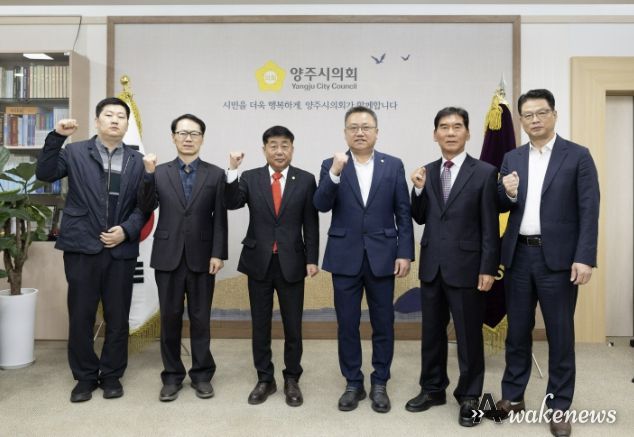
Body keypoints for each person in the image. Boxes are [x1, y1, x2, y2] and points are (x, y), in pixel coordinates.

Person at [497, 89, 599, 437]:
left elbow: (589, 209)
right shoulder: (512, 157)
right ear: (521, 120)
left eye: (541, 112)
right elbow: (500, 203)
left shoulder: (578, 156)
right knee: (517, 331)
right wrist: (508, 192)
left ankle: (558, 406)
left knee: (560, 334)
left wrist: (584, 257)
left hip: (559, 260)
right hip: (518, 256)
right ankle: (513, 396)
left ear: (554, 114)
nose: (535, 120)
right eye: (528, 115)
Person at [36, 97, 147, 402]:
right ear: (97, 121)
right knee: (81, 316)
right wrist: (57, 137)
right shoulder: (74, 152)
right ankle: (84, 377)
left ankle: (111, 375)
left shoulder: (138, 161)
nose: (115, 120)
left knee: (117, 317)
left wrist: (126, 231)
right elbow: (45, 173)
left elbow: (145, 206)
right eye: (109, 115)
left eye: (121, 116)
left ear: (127, 124)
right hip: (82, 246)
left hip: (120, 249)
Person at [313, 106, 414, 413]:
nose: (360, 132)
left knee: (384, 323)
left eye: (366, 127)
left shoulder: (392, 165)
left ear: (376, 132)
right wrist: (334, 172)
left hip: (383, 256)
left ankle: (380, 381)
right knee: (347, 323)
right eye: (353, 127)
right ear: (345, 133)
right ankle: (353, 382)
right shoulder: (331, 164)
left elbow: (403, 212)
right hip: (345, 256)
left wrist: (405, 252)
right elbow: (320, 204)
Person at [405, 107, 499, 427]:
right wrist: (418, 189)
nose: (450, 132)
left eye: (457, 126)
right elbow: (420, 216)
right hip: (433, 266)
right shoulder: (427, 171)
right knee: (431, 333)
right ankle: (432, 389)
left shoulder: (484, 172)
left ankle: (470, 396)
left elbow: (490, 226)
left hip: (469, 267)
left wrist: (488, 267)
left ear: (467, 133)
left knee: (469, 336)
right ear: (435, 134)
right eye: (444, 127)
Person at [224, 125, 319, 407]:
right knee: (260, 324)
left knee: (293, 326)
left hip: (292, 262)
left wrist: (312, 259)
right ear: (264, 149)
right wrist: (232, 170)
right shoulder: (250, 178)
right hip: (259, 263)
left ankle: (292, 378)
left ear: (292, 149)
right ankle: (265, 378)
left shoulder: (305, 179)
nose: (279, 151)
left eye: (285, 145)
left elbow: (311, 223)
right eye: (273, 145)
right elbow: (232, 202)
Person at [137, 114, 228, 402]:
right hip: (168, 256)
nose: (188, 138)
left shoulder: (215, 174)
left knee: (201, 319)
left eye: (194, 133)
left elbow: (220, 218)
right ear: (173, 137)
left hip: (203, 257)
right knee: (170, 319)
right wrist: (148, 175)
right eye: (183, 133)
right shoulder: (159, 172)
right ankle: (172, 376)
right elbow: (145, 206)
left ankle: (202, 375)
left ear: (202, 138)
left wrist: (218, 253)